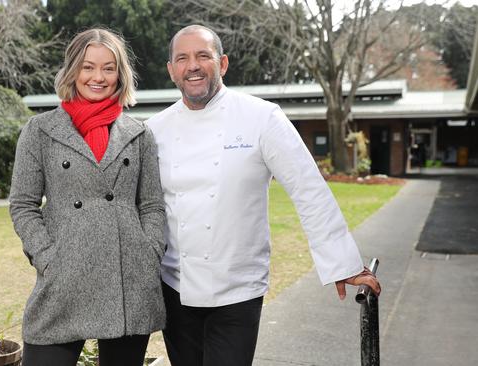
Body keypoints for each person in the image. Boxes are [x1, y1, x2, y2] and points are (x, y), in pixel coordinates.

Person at [146, 25, 382, 366]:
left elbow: (307, 188)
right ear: (171, 70)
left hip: (237, 288)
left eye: (203, 56)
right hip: (175, 288)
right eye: (182, 58)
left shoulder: (262, 118)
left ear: (223, 63)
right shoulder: (156, 129)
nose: (192, 66)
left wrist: (342, 263)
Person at [9, 28, 166, 366]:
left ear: (120, 74)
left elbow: (151, 205)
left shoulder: (139, 133)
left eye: (109, 68)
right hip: (64, 275)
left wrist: (149, 251)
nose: (98, 77)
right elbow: (23, 204)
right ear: (73, 70)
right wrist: (47, 256)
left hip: (128, 276)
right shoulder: (41, 130)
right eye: (88, 67)